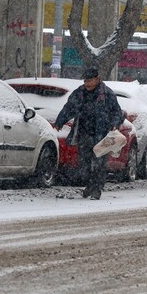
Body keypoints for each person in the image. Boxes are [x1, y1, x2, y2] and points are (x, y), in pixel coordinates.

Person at [54, 67, 124, 200]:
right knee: (84, 165)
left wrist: (115, 124)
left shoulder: (107, 94)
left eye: (90, 81)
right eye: (85, 81)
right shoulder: (79, 93)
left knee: (99, 164)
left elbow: (116, 112)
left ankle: (96, 190)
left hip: (103, 135)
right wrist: (60, 121)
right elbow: (69, 108)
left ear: (97, 79)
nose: (87, 84)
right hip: (84, 134)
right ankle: (90, 186)